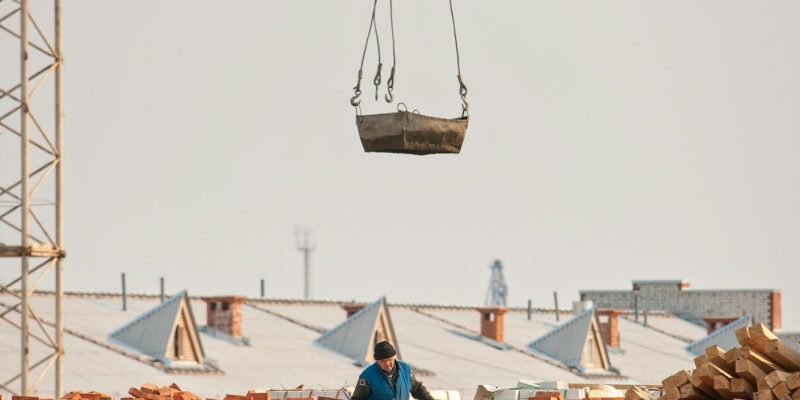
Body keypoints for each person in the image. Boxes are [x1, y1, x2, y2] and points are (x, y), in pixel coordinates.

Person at [351, 341, 435, 400]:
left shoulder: (406, 370)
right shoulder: (367, 377)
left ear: (394, 356)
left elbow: (417, 389)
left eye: (389, 359)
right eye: (383, 360)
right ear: (377, 361)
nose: (387, 363)